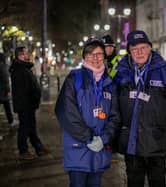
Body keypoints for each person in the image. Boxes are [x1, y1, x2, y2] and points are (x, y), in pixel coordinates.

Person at [102, 30, 166, 187]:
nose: (139, 52)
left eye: (143, 47)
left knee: (157, 182)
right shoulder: (120, 73)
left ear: (150, 48)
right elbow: (112, 107)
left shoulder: (164, 72)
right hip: (131, 144)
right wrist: (112, 135)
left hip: (157, 141)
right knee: (134, 182)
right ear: (129, 52)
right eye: (134, 49)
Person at [55, 38, 112, 187]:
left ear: (104, 57)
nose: (95, 58)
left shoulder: (109, 83)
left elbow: (115, 115)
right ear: (84, 57)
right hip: (78, 149)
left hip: (99, 151)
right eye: (90, 54)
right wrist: (88, 137)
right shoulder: (74, 79)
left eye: (99, 54)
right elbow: (65, 112)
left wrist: (104, 138)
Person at [10, 46, 50, 160]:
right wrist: (31, 98)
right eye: (27, 53)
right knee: (24, 128)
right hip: (25, 104)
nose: (29, 55)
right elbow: (23, 90)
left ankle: (39, 148)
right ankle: (23, 151)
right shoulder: (19, 69)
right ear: (21, 55)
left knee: (31, 127)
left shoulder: (24, 67)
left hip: (28, 104)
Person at [0, 53, 17, 128]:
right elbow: (5, 80)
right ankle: (11, 121)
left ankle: (11, 121)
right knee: (7, 105)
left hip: (2, 91)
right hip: (2, 91)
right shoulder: (2, 67)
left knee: (7, 106)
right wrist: (8, 90)